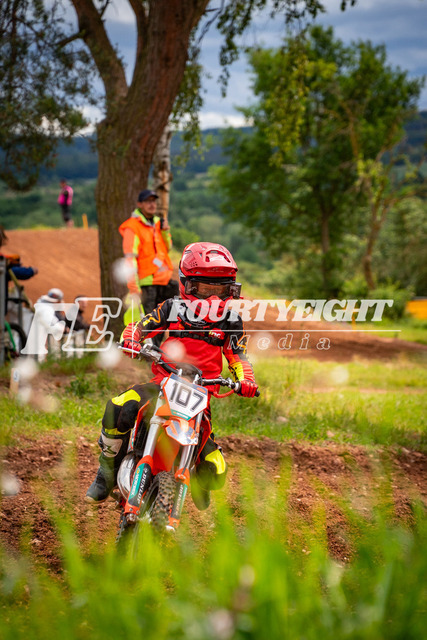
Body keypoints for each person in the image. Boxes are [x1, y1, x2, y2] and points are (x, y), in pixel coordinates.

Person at [86, 242, 259, 510]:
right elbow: (141, 325)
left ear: (231, 290)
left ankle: (196, 478)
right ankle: (107, 470)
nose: (213, 298)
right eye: (206, 289)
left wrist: (246, 380)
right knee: (119, 406)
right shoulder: (172, 308)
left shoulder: (231, 321)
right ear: (187, 285)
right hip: (163, 383)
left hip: (200, 395)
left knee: (216, 470)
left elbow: (237, 356)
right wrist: (132, 338)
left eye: (220, 290)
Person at [119, 189, 178, 325]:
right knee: (151, 326)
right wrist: (134, 288)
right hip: (147, 283)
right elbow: (130, 259)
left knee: (168, 322)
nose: (152, 204)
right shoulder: (132, 227)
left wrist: (165, 231)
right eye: (147, 201)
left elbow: (167, 248)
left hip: (164, 280)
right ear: (139, 204)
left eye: (153, 201)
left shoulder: (158, 223)